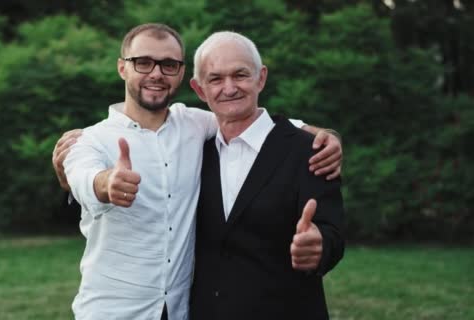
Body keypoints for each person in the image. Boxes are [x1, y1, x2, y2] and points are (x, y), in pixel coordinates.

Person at [57, 23, 342, 320]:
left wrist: (325, 135)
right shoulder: (89, 139)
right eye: (143, 62)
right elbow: (82, 176)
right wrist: (106, 183)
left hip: (180, 311)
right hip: (113, 312)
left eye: (168, 65)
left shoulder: (194, 124)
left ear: (181, 75)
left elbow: (254, 120)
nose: (156, 73)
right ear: (122, 68)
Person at [188, 31, 344, 319]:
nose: (229, 87)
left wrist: (319, 245)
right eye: (216, 79)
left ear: (261, 78)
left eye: (240, 75)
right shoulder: (193, 150)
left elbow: (333, 232)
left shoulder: (309, 150)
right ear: (200, 90)